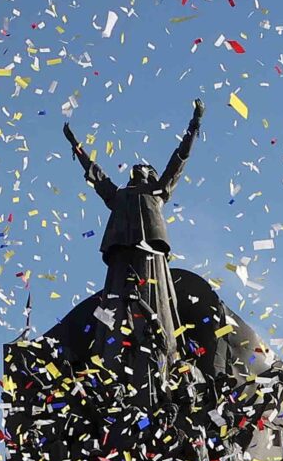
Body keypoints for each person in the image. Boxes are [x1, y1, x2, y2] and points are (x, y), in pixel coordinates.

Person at [60, 102, 203, 376]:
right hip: (120, 254)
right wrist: (75, 145)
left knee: (155, 292)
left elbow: (179, 159)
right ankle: (112, 346)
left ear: (151, 175)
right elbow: (95, 174)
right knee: (116, 297)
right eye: (135, 168)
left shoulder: (159, 190)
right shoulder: (119, 196)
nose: (138, 169)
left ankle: (161, 346)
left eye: (144, 168)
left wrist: (194, 124)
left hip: (151, 251)